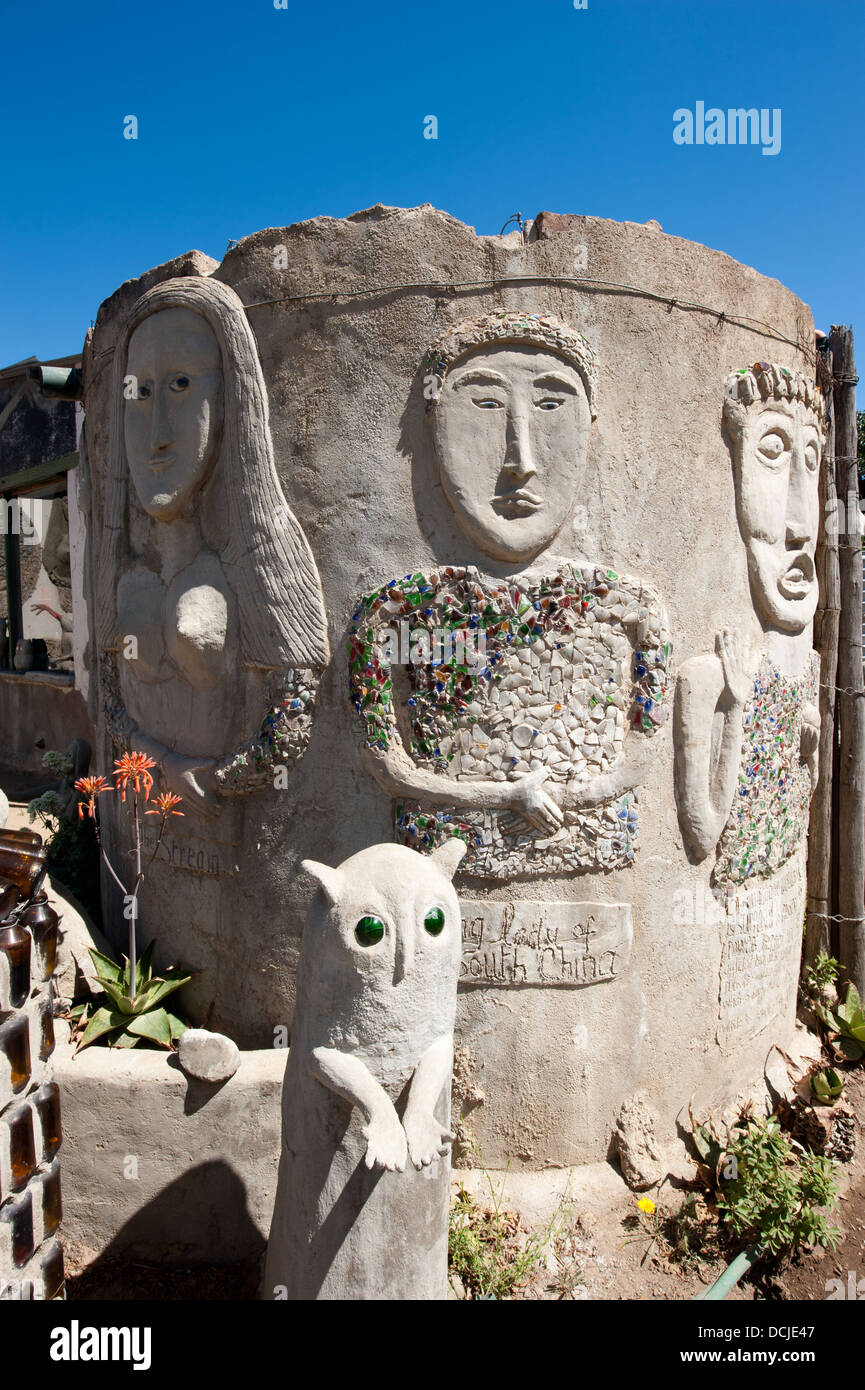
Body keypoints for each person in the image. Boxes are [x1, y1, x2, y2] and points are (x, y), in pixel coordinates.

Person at [350, 311, 670, 878]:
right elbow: (388, 767)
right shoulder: (396, 611)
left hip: (594, 862)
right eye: (485, 407)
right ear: (433, 425)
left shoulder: (630, 611)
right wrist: (508, 795)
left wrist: (553, 799)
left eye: (551, 406)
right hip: (437, 873)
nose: (520, 460)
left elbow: (639, 760)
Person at [95, 276, 329, 818]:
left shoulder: (260, 563)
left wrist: (218, 778)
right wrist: (162, 765)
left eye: (180, 385)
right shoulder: (122, 570)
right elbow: (109, 691)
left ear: (230, 396)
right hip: (150, 846)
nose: (157, 434)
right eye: (140, 393)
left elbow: (291, 709)